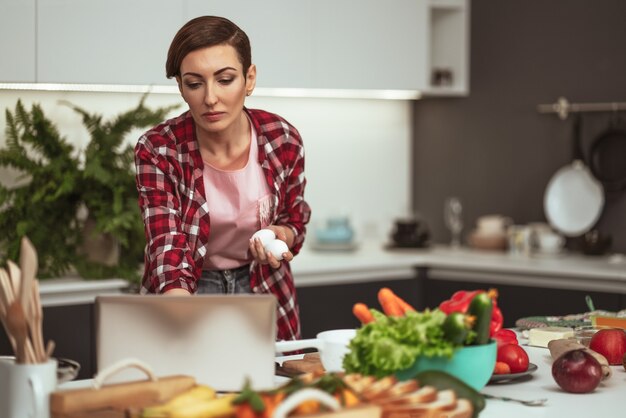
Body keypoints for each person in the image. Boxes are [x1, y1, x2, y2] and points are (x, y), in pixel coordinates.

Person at [134, 16, 311, 341]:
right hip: (188, 289)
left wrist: (279, 235)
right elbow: (166, 243)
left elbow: (295, 221)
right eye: (195, 83)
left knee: (271, 389)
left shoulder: (283, 138)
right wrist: (180, 312)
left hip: (263, 289)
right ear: (181, 87)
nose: (210, 98)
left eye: (225, 79)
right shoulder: (159, 148)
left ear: (249, 78)